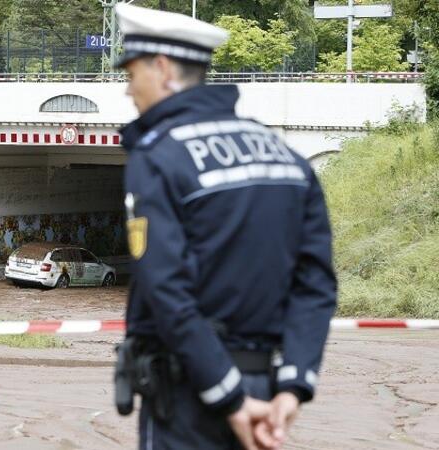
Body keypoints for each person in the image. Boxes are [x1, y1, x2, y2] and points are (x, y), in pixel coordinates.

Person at [112, 4, 336, 450]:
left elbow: (166, 290)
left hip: (189, 397)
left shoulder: (157, 157)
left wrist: (228, 397)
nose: (127, 89)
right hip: (266, 390)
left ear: (163, 69)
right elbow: (315, 283)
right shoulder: (286, 157)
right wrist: (294, 385)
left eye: (132, 74)